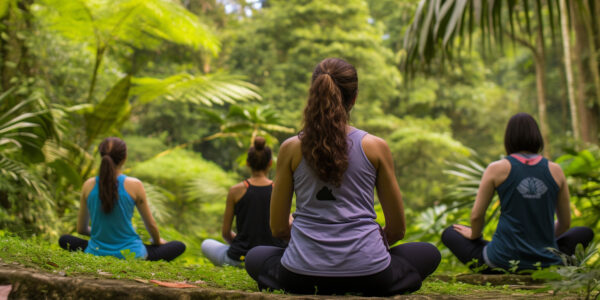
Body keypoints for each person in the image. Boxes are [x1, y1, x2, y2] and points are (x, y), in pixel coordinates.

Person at [244, 58, 441, 296]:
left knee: (256, 256)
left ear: (313, 93)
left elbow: (277, 229)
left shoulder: (291, 148)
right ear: (354, 98)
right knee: (428, 253)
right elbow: (397, 230)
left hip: (300, 275)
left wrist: (308, 245)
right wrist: (367, 251)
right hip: (370, 275)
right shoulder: (376, 147)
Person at [442, 113, 594, 272]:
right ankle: (552, 261)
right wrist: (538, 239)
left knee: (451, 232)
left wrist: (474, 235)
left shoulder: (496, 169)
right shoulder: (555, 170)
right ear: (537, 137)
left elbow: (476, 216)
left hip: (499, 261)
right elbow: (565, 224)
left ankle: (505, 258)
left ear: (508, 139)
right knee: (583, 233)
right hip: (546, 262)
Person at [59, 137, 185, 261]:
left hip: (96, 251)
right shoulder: (135, 185)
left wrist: (105, 235)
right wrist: (158, 241)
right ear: (124, 158)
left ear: (101, 156)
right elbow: (151, 225)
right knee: (178, 246)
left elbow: (81, 229)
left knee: (65, 239)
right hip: (131, 253)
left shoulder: (88, 185)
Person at [201, 137, 287, 267]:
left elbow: (225, 233)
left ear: (248, 163)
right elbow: (285, 229)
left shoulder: (235, 191)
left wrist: (242, 243)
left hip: (239, 258)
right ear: (270, 163)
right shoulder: (279, 190)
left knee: (206, 244)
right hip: (271, 259)